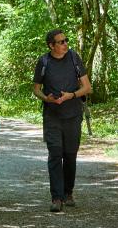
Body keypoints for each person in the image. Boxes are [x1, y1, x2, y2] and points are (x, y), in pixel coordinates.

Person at [33, 29, 92, 212]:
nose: (66, 44)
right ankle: (56, 198)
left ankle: (68, 193)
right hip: (52, 116)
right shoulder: (43, 62)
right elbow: (36, 89)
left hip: (73, 115)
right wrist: (47, 98)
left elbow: (87, 87)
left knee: (70, 155)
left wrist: (71, 95)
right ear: (51, 45)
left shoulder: (74, 58)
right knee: (55, 154)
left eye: (66, 40)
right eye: (61, 42)